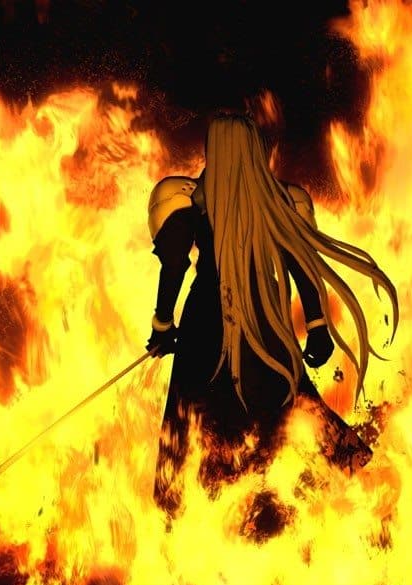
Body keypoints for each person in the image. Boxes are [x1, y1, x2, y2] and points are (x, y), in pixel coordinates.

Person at [146, 114, 398, 517]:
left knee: (190, 414)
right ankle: (351, 493)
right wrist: (316, 326)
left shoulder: (190, 200)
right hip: (265, 316)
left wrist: (163, 326)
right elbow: (302, 264)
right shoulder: (279, 200)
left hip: (206, 320)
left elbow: (174, 265)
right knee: (291, 402)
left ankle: (182, 509)